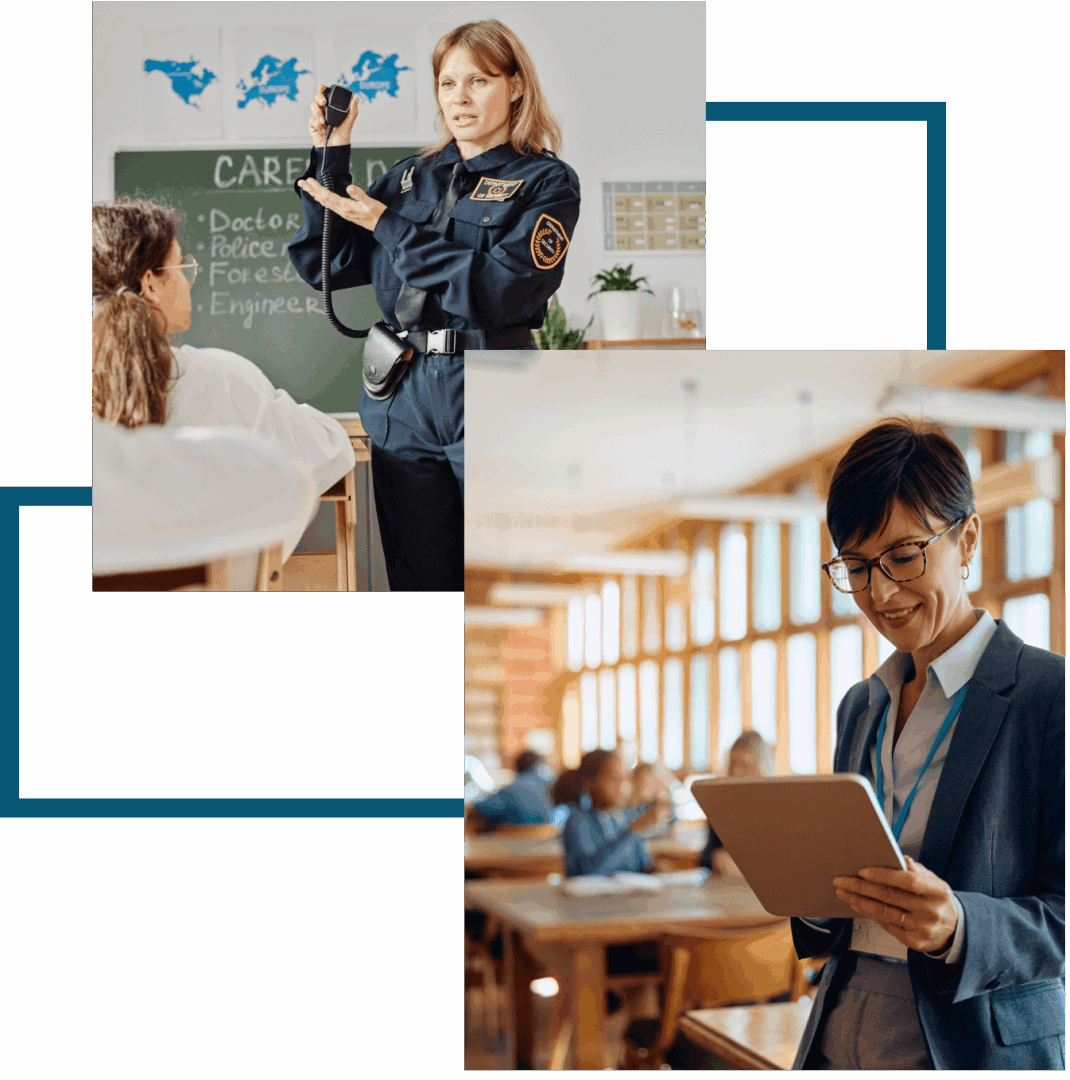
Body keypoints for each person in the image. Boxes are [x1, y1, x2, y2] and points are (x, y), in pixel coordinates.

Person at [790, 419, 1064, 1070]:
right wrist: (806, 887)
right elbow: (837, 910)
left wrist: (960, 928)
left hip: (969, 1043)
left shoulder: (1048, 695)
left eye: (904, 556)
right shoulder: (861, 705)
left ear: (967, 537)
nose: (880, 593)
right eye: (855, 567)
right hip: (842, 1031)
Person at [288, 19, 581, 592]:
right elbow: (326, 263)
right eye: (448, 85)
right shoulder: (409, 178)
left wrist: (388, 227)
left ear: (516, 86)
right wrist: (332, 154)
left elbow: (500, 291)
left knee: (495, 579)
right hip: (405, 392)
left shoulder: (547, 182)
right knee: (420, 581)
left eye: (479, 81)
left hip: (489, 385)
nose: (461, 99)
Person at [92, 197, 355, 563]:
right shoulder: (219, 377)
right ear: (151, 283)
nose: (187, 280)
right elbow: (324, 453)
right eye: (181, 266)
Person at [552, 749, 667, 878]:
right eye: (614, 780)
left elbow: (640, 865)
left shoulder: (625, 817)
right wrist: (631, 832)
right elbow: (589, 872)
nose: (622, 787)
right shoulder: (577, 821)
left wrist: (655, 869)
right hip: (588, 897)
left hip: (626, 895)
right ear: (590, 782)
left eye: (625, 779)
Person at [700, 731, 775, 876]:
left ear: (763, 768)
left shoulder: (777, 809)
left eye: (745, 766)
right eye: (733, 765)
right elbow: (704, 858)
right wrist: (716, 858)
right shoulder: (720, 807)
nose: (737, 773)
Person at [466, 750, 556, 833]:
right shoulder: (551, 786)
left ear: (516, 767)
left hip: (515, 843)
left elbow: (480, 808)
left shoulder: (511, 790)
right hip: (549, 842)